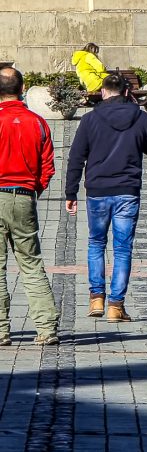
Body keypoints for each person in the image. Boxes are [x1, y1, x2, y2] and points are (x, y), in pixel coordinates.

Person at [65, 74, 147, 322]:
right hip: (127, 190)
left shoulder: (90, 119)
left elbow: (76, 157)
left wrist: (70, 192)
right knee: (122, 248)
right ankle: (116, 306)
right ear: (126, 92)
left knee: (96, 243)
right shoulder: (140, 117)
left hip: (97, 191)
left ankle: (96, 298)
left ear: (104, 92)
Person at [0, 67, 59, 346]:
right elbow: (48, 166)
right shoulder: (37, 122)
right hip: (23, 196)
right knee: (31, 263)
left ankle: (1, 330)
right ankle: (46, 328)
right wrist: (34, 189)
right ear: (22, 88)